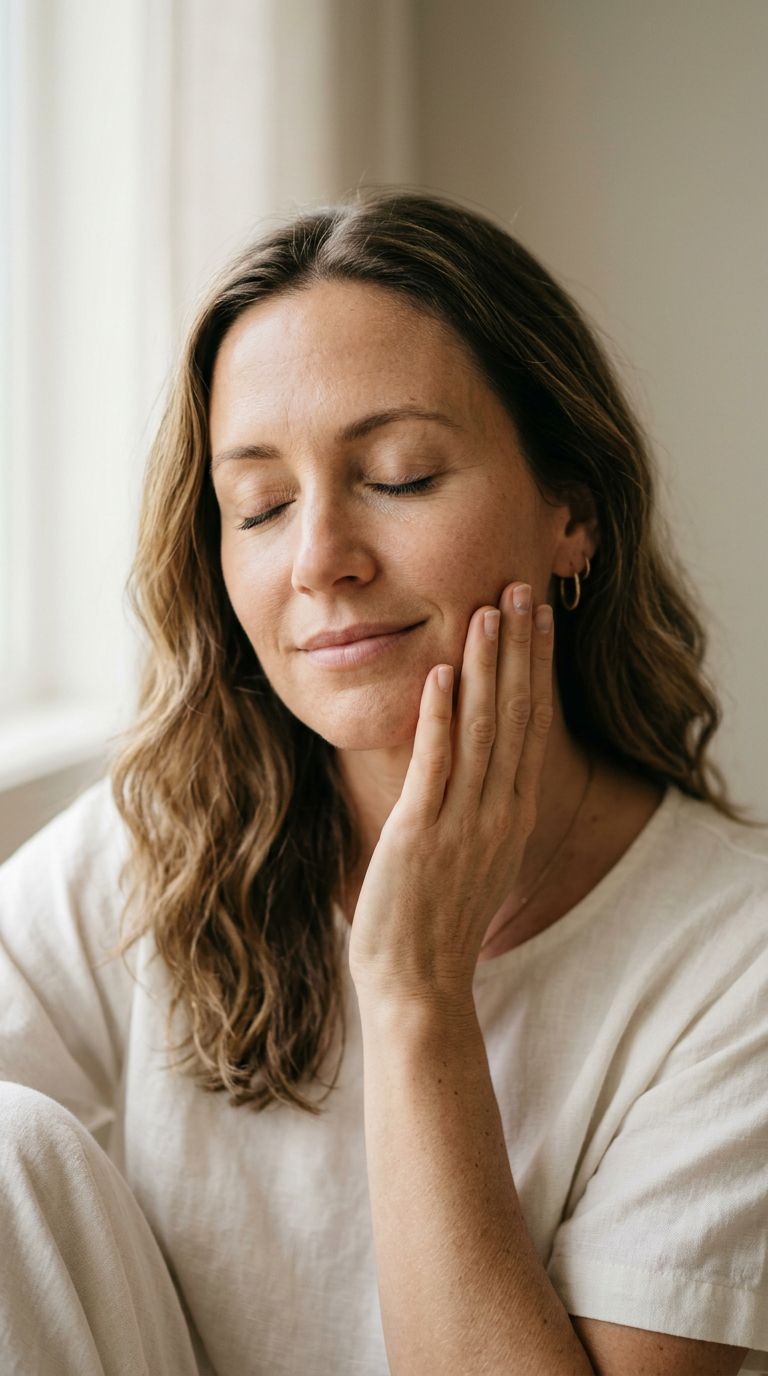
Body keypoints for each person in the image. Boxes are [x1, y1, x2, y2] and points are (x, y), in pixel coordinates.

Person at [1, 189, 766, 1376]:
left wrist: (416, 990)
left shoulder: (735, 962)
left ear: (574, 512)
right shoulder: (156, 846)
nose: (319, 561)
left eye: (402, 476)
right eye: (259, 504)